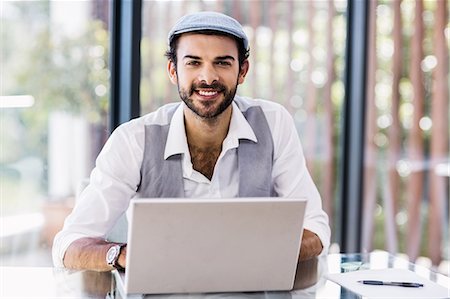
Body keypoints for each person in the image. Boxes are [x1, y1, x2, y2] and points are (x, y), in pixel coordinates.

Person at [52, 11, 330, 272]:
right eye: (193, 62)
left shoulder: (274, 123)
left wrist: (249, 253)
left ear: (242, 71)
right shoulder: (133, 140)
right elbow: (68, 245)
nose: (207, 77)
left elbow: (315, 230)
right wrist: (122, 255)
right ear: (173, 71)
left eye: (222, 62)